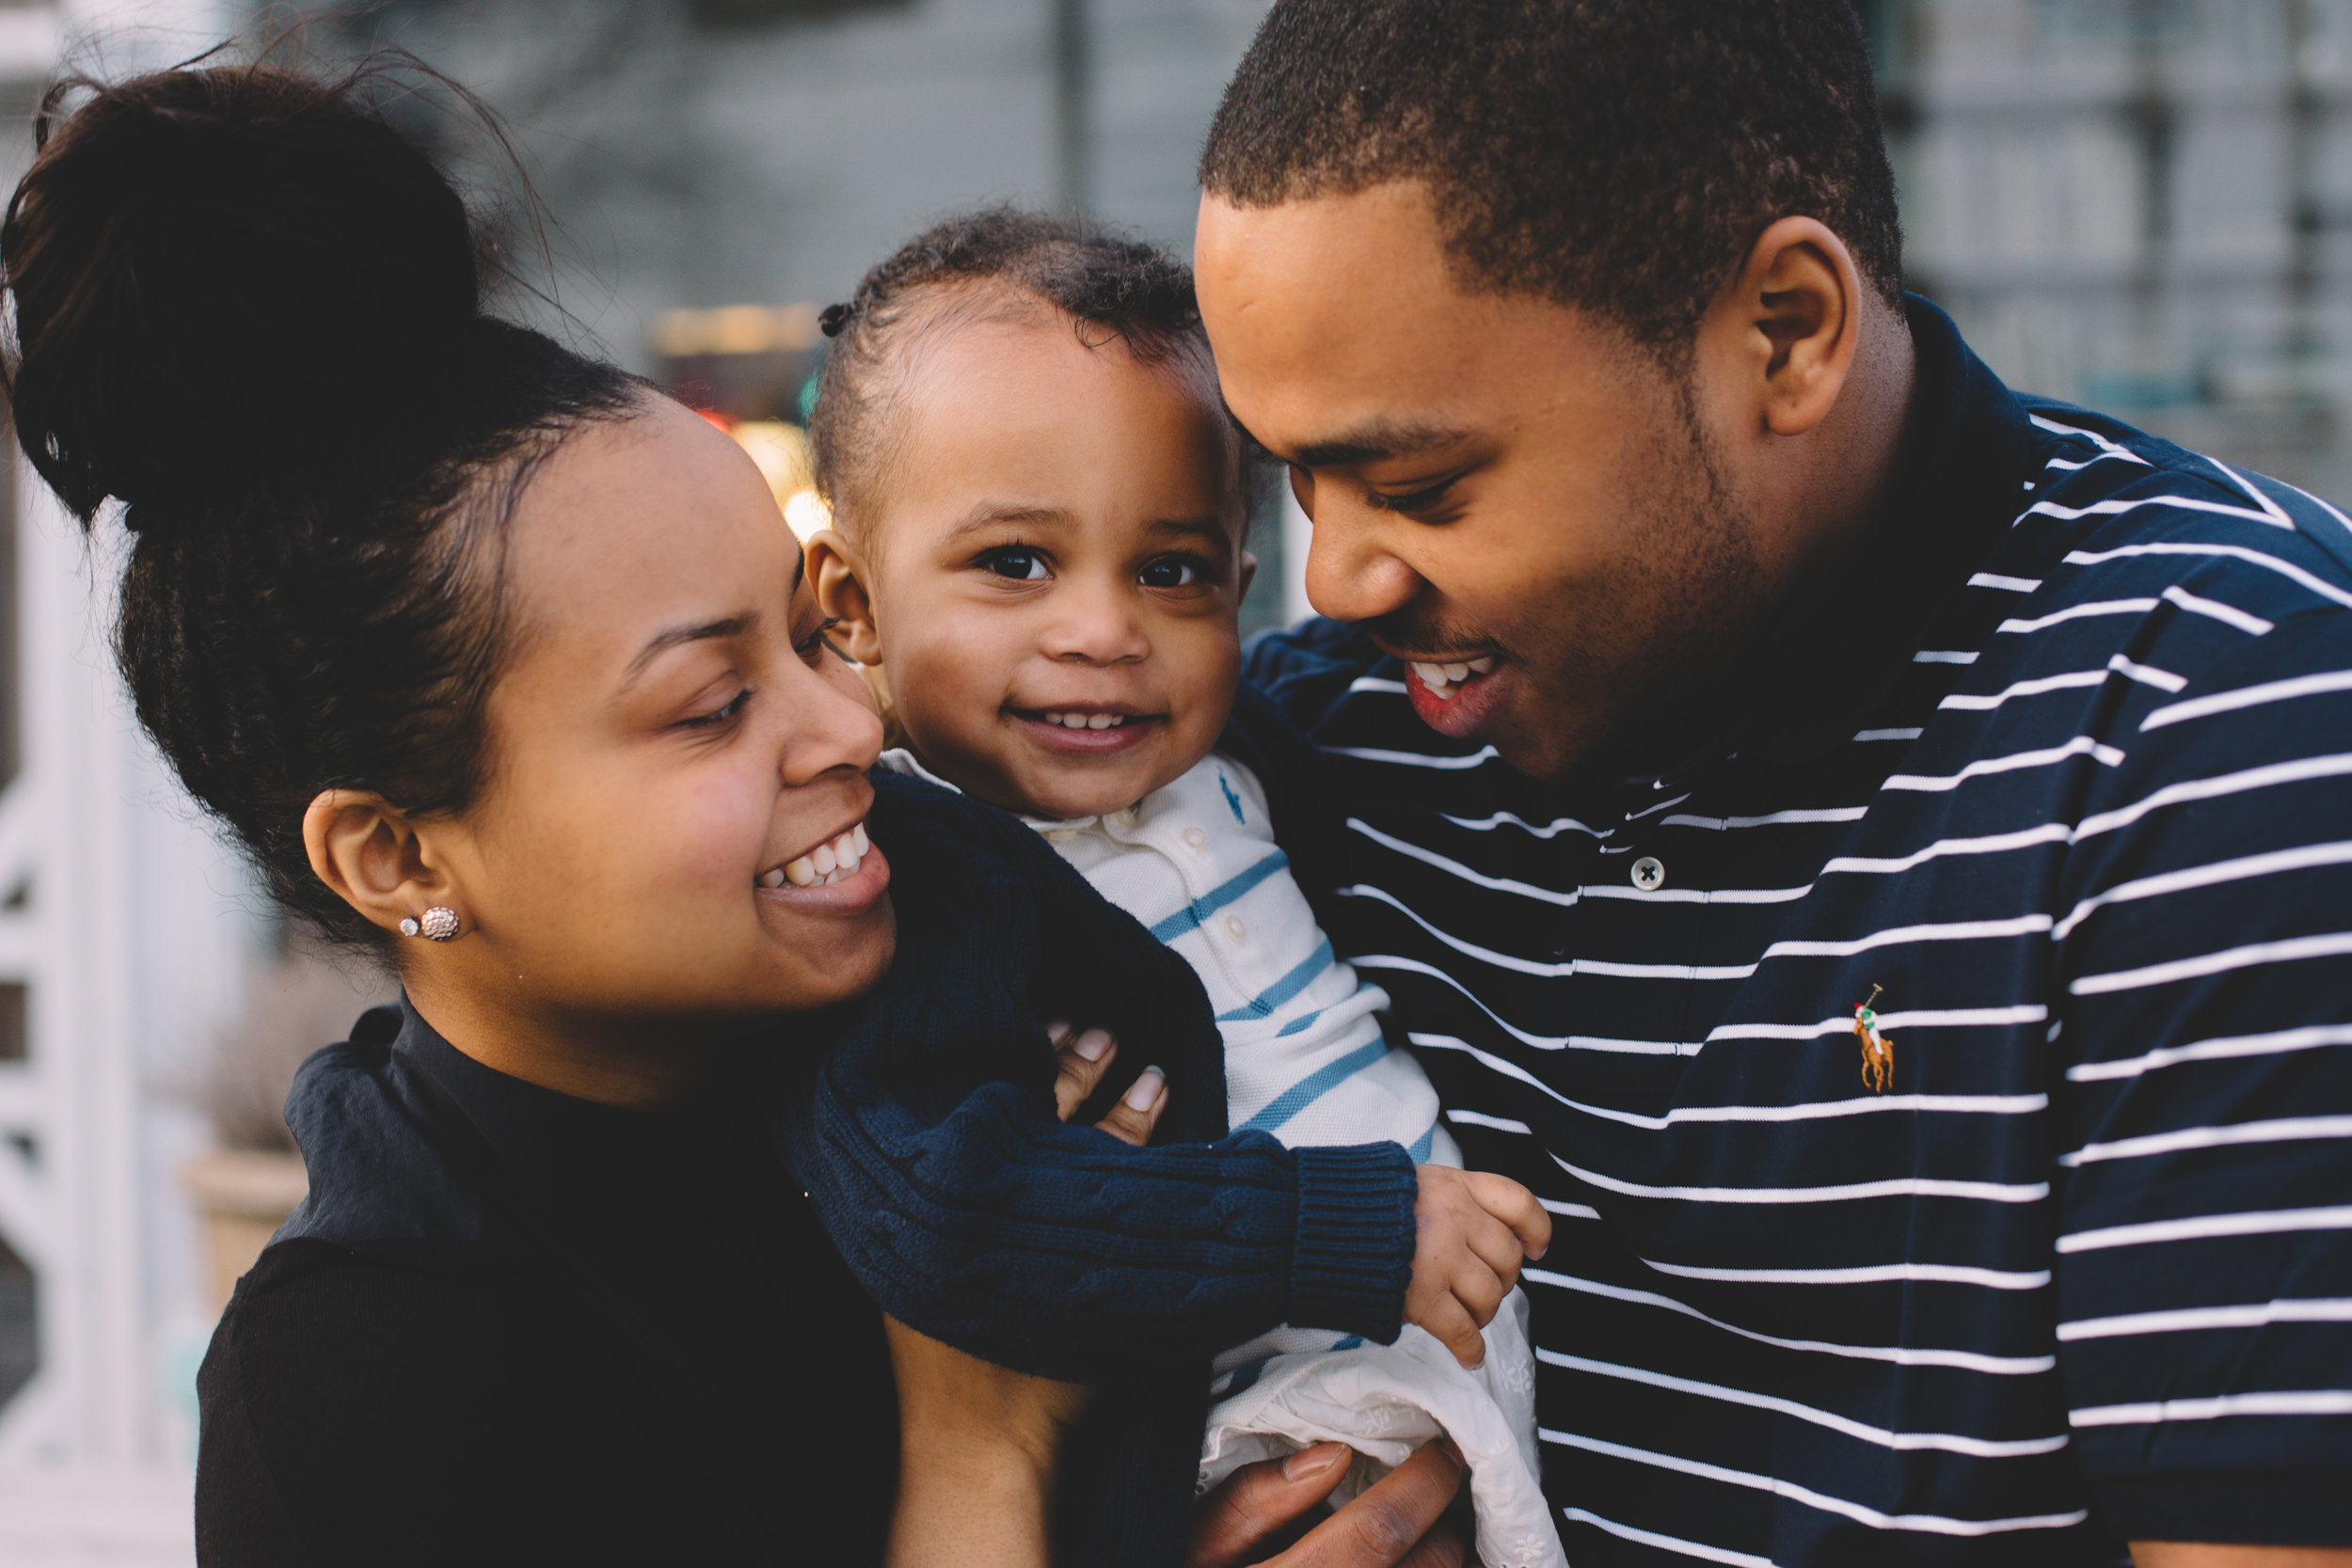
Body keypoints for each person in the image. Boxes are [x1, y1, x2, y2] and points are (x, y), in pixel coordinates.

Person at [0, 51, 1526, 1568]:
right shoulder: (370, 1395)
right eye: (713, 705)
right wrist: (981, 1444)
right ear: (396, 854)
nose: (852, 723)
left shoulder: (937, 1014)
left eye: (807, 637)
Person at [1188, 1, 2352, 1564]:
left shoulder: (2217, 723)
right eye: (1290, 481)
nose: (1332, 581)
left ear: (1787, 331)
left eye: (1419, 486)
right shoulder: (1308, 754)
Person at [801, 207, 1562, 1568]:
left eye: (1171, 571)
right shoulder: (917, 879)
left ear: (1241, 593)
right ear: (852, 604)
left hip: (1428, 1385)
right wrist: (1346, 1235)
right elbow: (946, 1217)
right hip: (1252, 1446)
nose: (1102, 631)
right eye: (1014, 563)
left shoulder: (1241, 758)